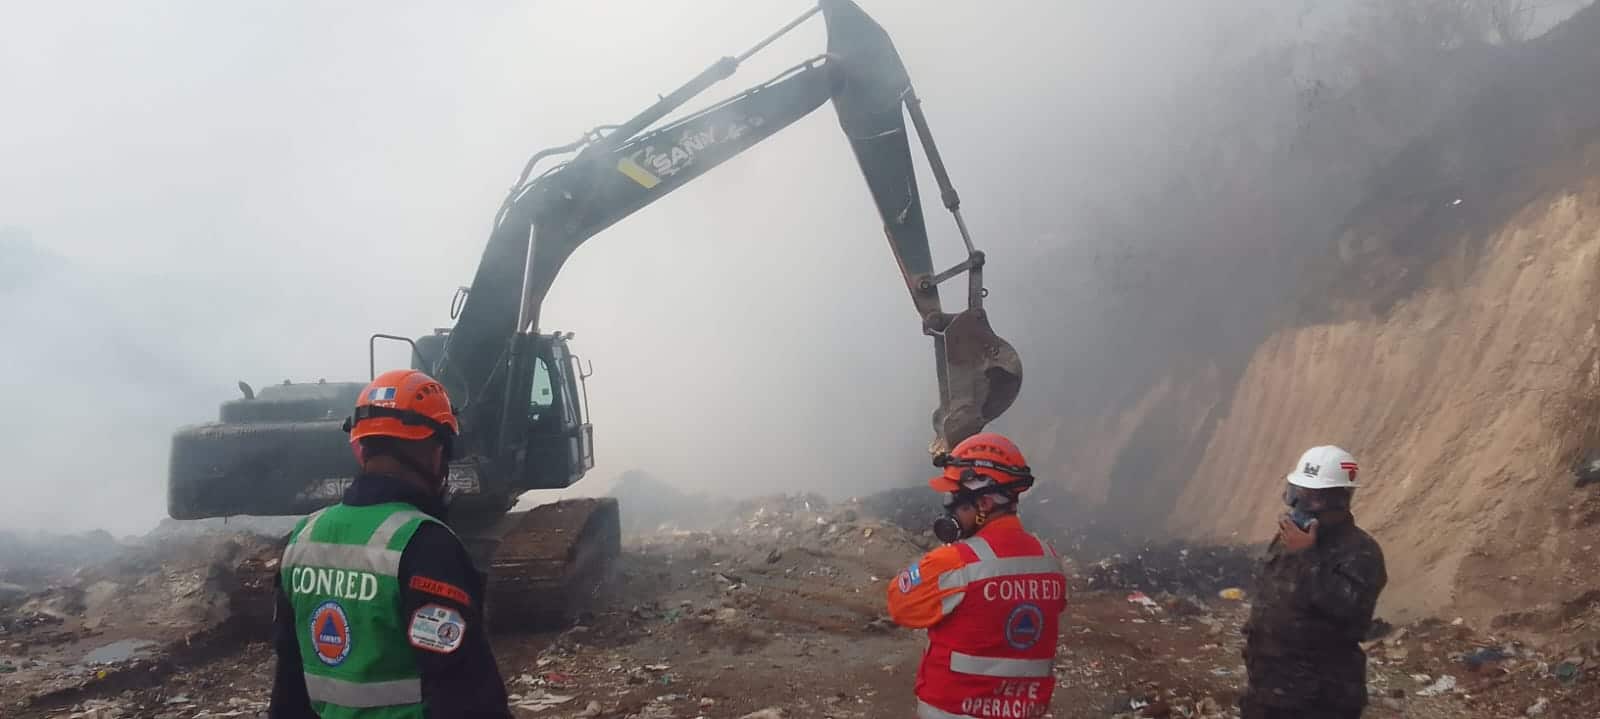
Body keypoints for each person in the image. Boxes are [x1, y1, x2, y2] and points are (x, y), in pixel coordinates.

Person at [269, 368, 513, 719]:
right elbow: (465, 693)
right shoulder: (424, 544)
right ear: (434, 452)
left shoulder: (303, 537)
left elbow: (289, 685)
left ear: (361, 447)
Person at [886, 432, 1068, 719]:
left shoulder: (955, 562)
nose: (950, 507)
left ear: (983, 504)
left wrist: (942, 554)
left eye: (956, 499)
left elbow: (900, 604)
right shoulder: (1050, 560)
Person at [1241, 445, 1388, 719]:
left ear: (1339, 501)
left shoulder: (1360, 551)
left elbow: (1347, 610)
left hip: (1319, 700)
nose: (1299, 506)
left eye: (1312, 498)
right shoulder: (1290, 539)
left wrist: (1306, 556)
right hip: (1266, 691)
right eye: (1298, 495)